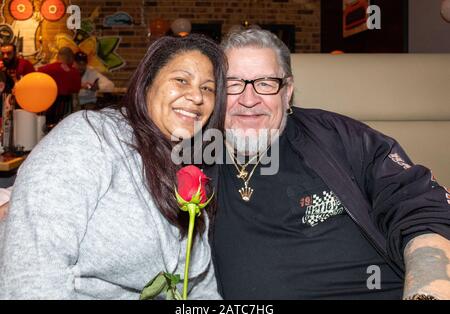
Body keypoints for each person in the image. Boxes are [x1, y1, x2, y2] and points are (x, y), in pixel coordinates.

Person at [209, 28, 450, 300]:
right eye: (233, 84)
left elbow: (419, 203)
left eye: (265, 83)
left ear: (287, 92)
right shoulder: (197, 157)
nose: (249, 100)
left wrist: (429, 290)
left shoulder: (337, 136)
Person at [0, 34, 227, 299]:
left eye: (208, 88)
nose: (197, 96)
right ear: (147, 83)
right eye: (181, 80)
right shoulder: (91, 136)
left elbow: (200, 286)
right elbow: (32, 271)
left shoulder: (187, 170)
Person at [38, 47, 82, 126]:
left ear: (58, 56)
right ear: (70, 57)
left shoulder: (42, 70)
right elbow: (76, 90)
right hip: (64, 111)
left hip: (44, 110)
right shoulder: (74, 73)